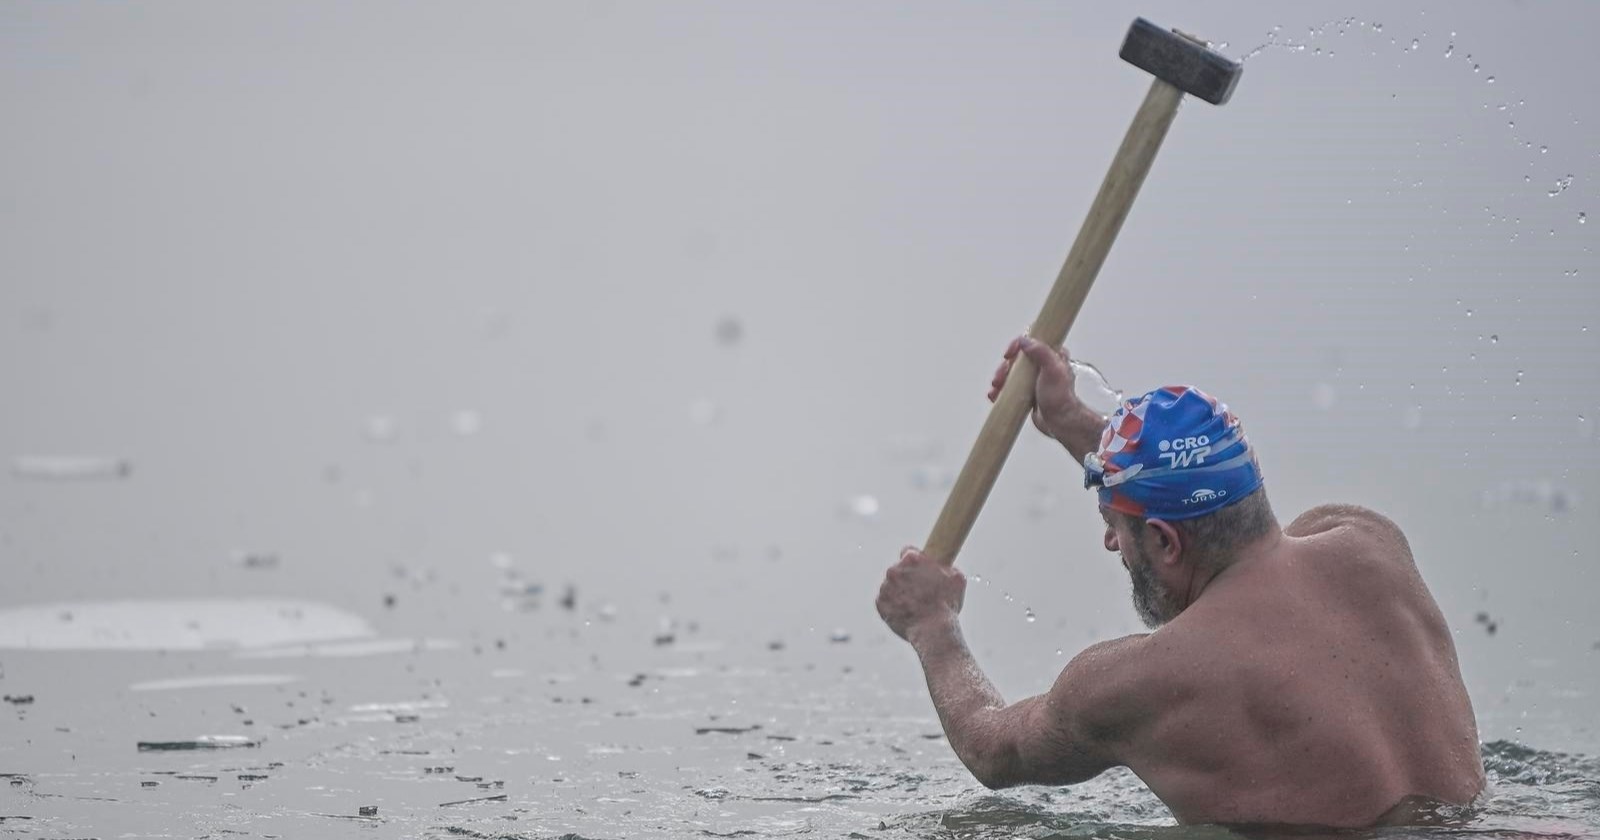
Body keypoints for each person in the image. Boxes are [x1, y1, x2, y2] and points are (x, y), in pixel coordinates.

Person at [875, 335, 1485, 828]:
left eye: (1116, 527)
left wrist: (933, 625)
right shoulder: (1368, 543)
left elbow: (991, 749)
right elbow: (1212, 518)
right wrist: (1071, 423)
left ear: (1166, 541)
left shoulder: (1136, 682)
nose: (1111, 543)